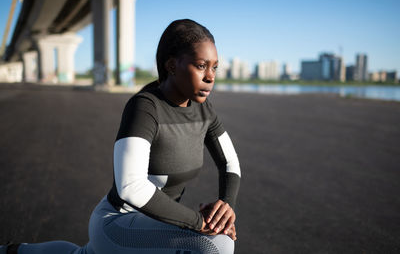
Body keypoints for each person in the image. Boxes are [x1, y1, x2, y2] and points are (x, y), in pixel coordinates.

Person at [1, 19, 241, 254]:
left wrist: (224, 209)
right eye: (201, 66)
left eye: (215, 67)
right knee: (216, 245)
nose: (211, 76)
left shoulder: (204, 110)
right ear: (172, 65)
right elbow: (130, 186)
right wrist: (200, 222)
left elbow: (229, 163)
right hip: (118, 221)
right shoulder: (146, 108)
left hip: (159, 224)